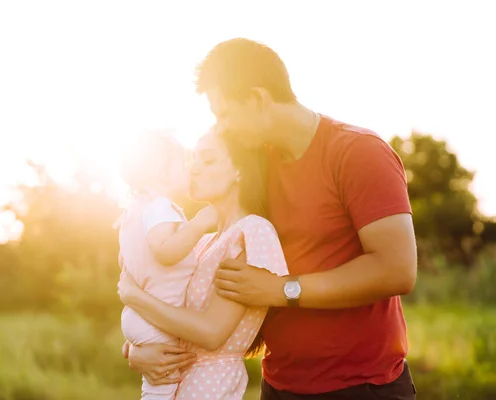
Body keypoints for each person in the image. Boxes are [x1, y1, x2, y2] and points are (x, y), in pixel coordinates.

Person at [125, 38, 418, 399]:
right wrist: (138, 347)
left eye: (224, 114)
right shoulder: (255, 168)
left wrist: (283, 289)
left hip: (361, 385)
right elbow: (197, 290)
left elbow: (396, 269)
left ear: (258, 99)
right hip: (280, 384)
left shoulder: (358, 153)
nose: (222, 127)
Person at [118, 129, 289, 399]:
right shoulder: (200, 241)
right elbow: (170, 308)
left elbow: (211, 333)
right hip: (175, 378)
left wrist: (133, 296)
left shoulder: (251, 231)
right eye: (193, 159)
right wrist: (135, 350)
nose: (194, 168)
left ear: (239, 171)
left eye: (208, 160)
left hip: (209, 384)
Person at [115, 131, 218, 399]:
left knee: (157, 386)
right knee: (163, 386)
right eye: (183, 163)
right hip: (157, 318)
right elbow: (164, 251)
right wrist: (198, 224)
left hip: (143, 314)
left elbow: (124, 259)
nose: (190, 169)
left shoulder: (137, 209)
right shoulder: (160, 207)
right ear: (161, 175)